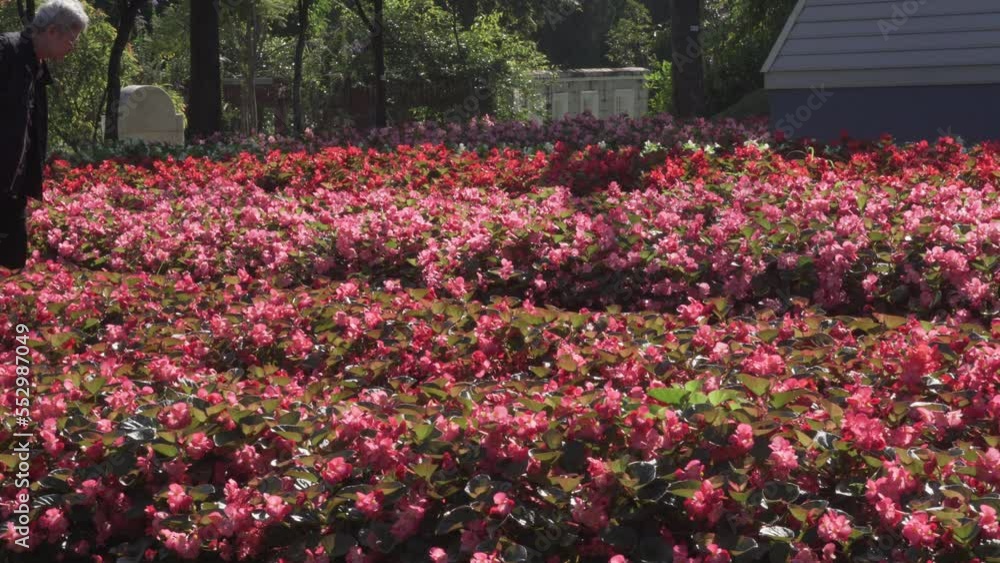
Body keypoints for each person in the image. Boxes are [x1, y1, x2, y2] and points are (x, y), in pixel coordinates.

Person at [0, 0, 88, 271]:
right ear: (52, 31)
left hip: (12, 190)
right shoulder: (6, 51)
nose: (71, 47)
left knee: (12, 263)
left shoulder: (36, 67)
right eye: (70, 40)